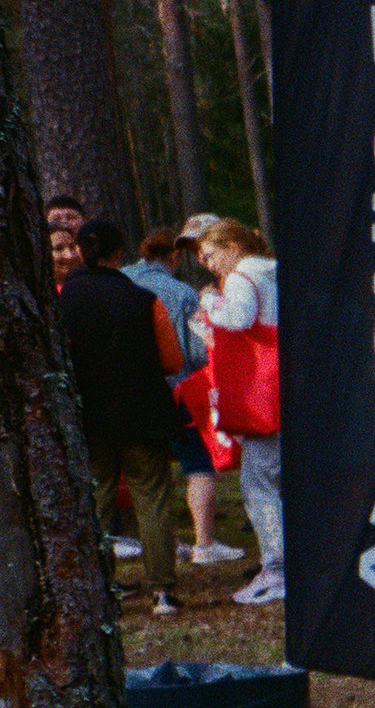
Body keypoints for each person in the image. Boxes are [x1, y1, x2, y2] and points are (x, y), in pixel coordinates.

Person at [59, 220, 185, 614]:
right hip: (143, 414)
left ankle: (97, 591)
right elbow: (173, 360)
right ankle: (163, 590)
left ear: (81, 251)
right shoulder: (144, 299)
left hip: (89, 417)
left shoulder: (61, 301)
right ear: (119, 253)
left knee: (95, 502)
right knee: (153, 500)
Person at [127, 227, 240, 566]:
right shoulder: (183, 293)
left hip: (133, 392)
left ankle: (166, 542)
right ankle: (205, 543)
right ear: (174, 257)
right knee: (197, 465)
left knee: (150, 471)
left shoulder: (123, 281)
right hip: (176, 389)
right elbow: (195, 352)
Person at [195, 220, 283, 606]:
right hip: (282, 384)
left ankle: (277, 568)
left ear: (232, 246)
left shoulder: (241, 276)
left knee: (258, 484)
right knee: (276, 478)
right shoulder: (272, 271)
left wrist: (209, 301)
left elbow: (238, 318)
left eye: (210, 255)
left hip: (260, 393)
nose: (208, 264)